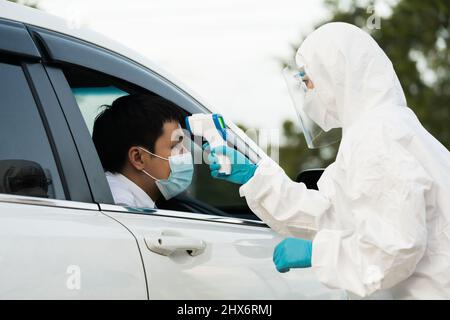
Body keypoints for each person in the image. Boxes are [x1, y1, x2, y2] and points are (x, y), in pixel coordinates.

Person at [205, 22, 450, 299]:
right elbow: (330, 213)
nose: (308, 94)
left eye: (308, 82)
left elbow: (394, 249)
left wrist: (318, 252)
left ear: (336, 75)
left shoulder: (380, 137)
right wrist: (255, 178)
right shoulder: (378, 131)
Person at [93, 93, 193, 208]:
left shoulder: (127, 201)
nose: (185, 153)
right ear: (138, 158)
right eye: (174, 146)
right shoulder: (120, 207)